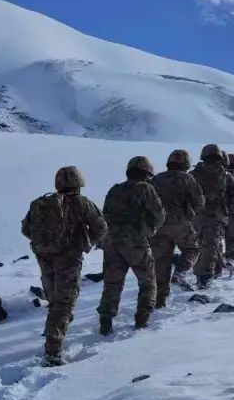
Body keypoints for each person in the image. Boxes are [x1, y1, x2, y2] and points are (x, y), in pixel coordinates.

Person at [21, 166, 107, 365]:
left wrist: (48, 244)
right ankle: (53, 351)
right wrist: (87, 242)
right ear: (78, 183)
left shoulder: (40, 203)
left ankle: (54, 329)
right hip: (69, 257)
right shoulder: (83, 203)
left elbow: (26, 229)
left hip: (44, 257)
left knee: (54, 300)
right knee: (65, 303)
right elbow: (101, 228)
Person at [98, 156, 165, 335]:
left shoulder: (115, 189)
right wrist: (151, 230)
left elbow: (105, 214)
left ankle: (106, 321)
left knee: (112, 283)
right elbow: (159, 214)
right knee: (148, 281)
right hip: (135, 242)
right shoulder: (146, 188)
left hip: (112, 241)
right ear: (147, 174)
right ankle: (142, 320)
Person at [150, 149, 205, 308]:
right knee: (193, 249)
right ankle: (180, 273)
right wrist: (190, 212)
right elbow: (200, 201)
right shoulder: (188, 179)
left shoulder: (156, 179)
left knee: (161, 261)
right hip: (180, 223)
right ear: (186, 164)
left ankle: (160, 301)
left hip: (159, 226)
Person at [191, 144, 234, 288]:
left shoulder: (223, 176)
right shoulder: (223, 176)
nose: (212, 161)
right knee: (207, 246)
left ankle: (206, 276)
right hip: (204, 218)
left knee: (209, 246)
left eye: (214, 158)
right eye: (210, 158)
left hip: (211, 218)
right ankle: (210, 273)